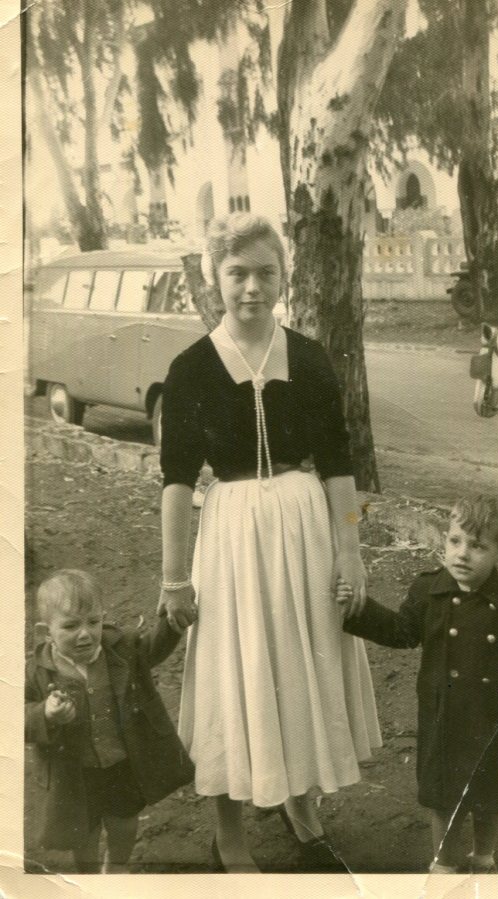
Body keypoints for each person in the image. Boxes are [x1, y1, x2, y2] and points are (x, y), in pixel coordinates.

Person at [158, 212, 381, 873]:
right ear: (212, 277)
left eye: (265, 272)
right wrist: (174, 576)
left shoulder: (308, 358)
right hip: (230, 536)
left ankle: (301, 796)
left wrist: (349, 549)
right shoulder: (192, 368)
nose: (252, 287)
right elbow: (175, 481)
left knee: (305, 656)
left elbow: (339, 464)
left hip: (307, 525)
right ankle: (230, 829)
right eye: (237, 273)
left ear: (285, 276)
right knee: (238, 668)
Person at [340, 495, 498, 874]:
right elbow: (401, 631)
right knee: (444, 793)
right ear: (445, 542)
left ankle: (484, 855)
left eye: (478, 546)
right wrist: (358, 607)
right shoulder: (430, 591)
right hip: (445, 714)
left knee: (490, 793)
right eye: (455, 541)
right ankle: (444, 862)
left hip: (494, 716)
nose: (462, 554)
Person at [25, 569, 194, 873]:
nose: (85, 633)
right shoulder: (36, 672)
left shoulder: (121, 649)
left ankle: (116, 868)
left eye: (93, 621)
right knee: (84, 836)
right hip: (74, 774)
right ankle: (89, 879)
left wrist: (171, 624)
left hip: (120, 764)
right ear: (44, 631)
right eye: (71, 626)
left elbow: (153, 648)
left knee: (124, 824)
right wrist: (45, 714)